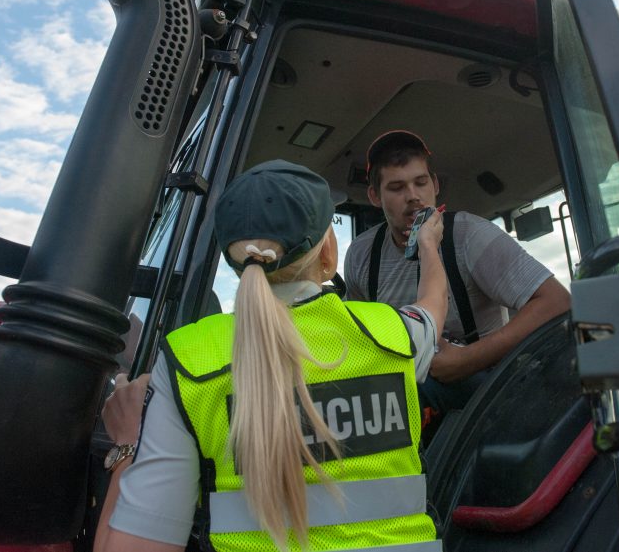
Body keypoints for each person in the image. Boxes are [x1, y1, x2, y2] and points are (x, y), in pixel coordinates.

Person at [94, 160, 448, 552]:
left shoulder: (188, 361)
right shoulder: (395, 335)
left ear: (235, 262)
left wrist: (128, 445)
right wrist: (428, 246)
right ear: (328, 252)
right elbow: (433, 302)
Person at [344, 130, 571, 412]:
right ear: (375, 196)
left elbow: (557, 301)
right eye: (396, 188)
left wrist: (466, 360)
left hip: (481, 385)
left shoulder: (468, 235)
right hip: (402, 384)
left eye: (421, 182)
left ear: (435, 185)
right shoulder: (361, 253)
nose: (413, 196)